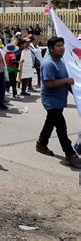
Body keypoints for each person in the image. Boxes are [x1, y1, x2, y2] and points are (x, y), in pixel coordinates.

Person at [36, 37, 81, 167]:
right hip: (50, 100)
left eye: (62, 45)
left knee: (50, 122)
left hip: (60, 99)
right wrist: (66, 81)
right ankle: (70, 154)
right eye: (58, 46)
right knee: (61, 127)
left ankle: (41, 143)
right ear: (51, 48)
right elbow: (49, 83)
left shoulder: (61, 61)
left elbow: (66, 81)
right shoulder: (49, 64)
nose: (61, 48)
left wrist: (76, 94)